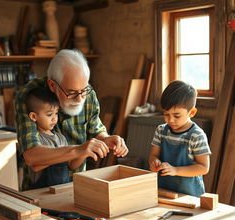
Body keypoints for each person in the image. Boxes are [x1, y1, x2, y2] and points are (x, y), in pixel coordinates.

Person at [16, 49, 128, 190]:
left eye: (83, 90)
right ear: (52, 85)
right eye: (72, 92)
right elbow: (32, 156)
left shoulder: (87, 93)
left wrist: (106, 140)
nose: (80, 98)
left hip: (76, 186)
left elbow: (96, 132)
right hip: (38, 192)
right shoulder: (30, 96)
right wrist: (79, 149)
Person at [148, 80, 211, 197]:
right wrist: (154, 162)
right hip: (164, 190)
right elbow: (153, 155)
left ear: (191, 112)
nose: (170, 120)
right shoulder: (161, 131)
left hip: (190, 194)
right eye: (166, 114)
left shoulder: (196, 135)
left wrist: (175, 170)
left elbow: (203, 167)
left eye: (177, 115)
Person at [24, 87, 86, 189]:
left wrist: (84, 152)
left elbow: (72, 165)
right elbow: (36, 166)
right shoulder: (36, 141)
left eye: (56, 113)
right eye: (49, 114)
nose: (54, 118)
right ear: (34, 117)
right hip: (40, 194)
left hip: (61, 192)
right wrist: (66, 153)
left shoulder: (61, 138)